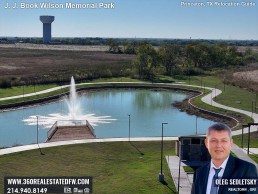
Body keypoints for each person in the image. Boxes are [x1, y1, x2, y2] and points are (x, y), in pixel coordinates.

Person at [191, 123, 258, 194]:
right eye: (214, 140)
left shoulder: (246, 170)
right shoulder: (199, 173)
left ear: (231, 143)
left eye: (224, 141)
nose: (219, 145)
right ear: (206, 143)